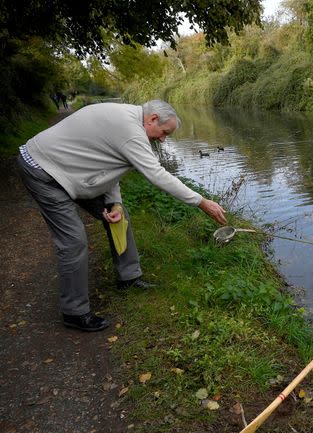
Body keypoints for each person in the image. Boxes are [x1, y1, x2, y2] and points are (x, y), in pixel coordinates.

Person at [17, 99, 227, 332]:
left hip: (74, 170)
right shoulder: (131, 131)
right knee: (74, 241)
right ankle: (74, 313)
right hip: (42, 169)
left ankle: (128, 278)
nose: (163, 138)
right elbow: (157, 175)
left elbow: (109, 166)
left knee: (120, 214)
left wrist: (114, 203)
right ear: (153, 119)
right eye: (164, 132)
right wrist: (201, 201)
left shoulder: (133, 122)